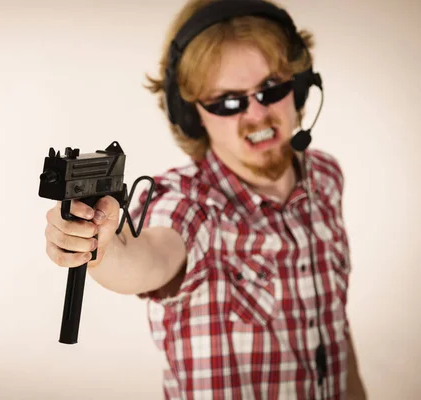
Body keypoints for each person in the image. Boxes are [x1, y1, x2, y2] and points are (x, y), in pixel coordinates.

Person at [44, 0, 367, 398]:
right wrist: (101, 244)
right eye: (227, 102)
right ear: (192, 115)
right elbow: (148, 256)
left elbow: (334, 327)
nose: (256, 115)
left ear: (300, 86)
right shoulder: (185, 202)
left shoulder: (326, 178)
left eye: (271, 88)